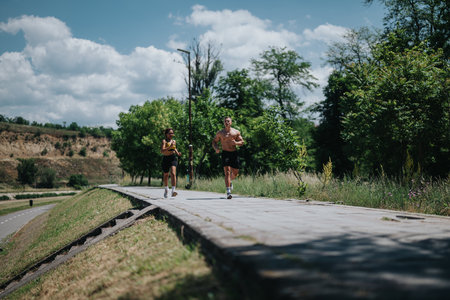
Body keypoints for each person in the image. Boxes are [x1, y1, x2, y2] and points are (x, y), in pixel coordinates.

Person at [212, 116, 244, 199]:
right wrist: (216, 148)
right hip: (225, 153)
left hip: (234, 153)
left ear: (231, 122)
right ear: (224, 123)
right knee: (227, 172)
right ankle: (228, 192)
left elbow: (242, 142)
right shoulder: (220, 133)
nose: (227, 122)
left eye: (228, 121)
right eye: (225, 121)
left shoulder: (235, 132)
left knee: (236, 173)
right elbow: (214, 142)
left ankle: (230, 182)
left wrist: (236, 143)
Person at [161, 128, 181, 198]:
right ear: (166, 134)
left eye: (172, 133)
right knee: (166, 175)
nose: (171, 135)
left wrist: (178, 153)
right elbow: (162, 151)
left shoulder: (174, 141)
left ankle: (173, 190)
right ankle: (166, 189)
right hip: (166, 158)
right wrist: (169, 147)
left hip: (173, 158)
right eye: (170, 133)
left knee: (173, 173)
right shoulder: (164, 141)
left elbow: (174, 148)